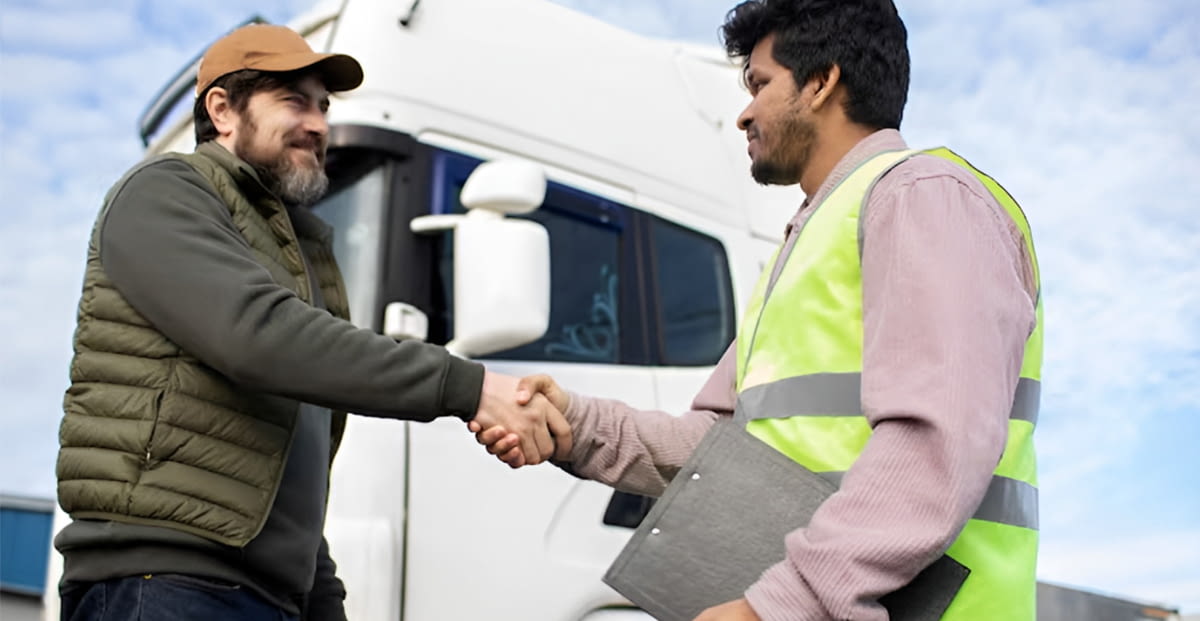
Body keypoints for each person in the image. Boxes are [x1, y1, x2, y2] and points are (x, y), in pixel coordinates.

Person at [475, 1, 1043, 619]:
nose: (744, 112)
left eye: (760, 84)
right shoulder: (808, 243)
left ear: (822, 81)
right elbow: (715, 450)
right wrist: (577, 424)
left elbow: (937, 443)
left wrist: (778, 605)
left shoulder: (924, 196)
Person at [54, 23, 563, 621]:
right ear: (222, 110)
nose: (320, 123)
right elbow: (258, 337)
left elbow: (283, 467)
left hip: (259, 593)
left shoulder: (297, 250)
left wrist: (321, 600)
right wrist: (470, 388)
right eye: (294, 100)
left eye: (324, 106)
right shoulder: (166, 191)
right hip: (168, 582)